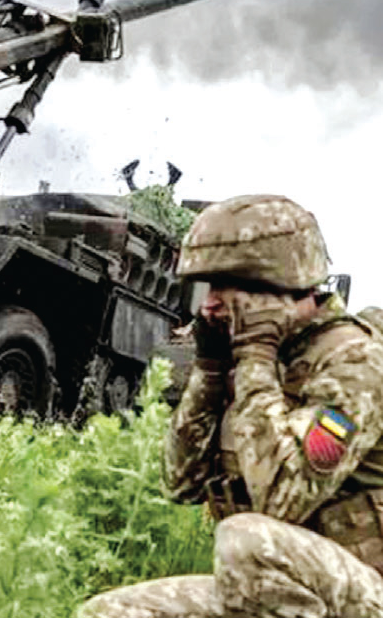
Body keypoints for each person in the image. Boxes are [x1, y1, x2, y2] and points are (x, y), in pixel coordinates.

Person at [78, 194, 383, 617]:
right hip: (284, 594)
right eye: (206, 287)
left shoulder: (354, 362)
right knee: (110, 613)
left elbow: (282, 500)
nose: (209, 304)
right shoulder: (250, 357)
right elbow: (181, 482)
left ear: (281, 282)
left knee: (246, 538)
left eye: (225, 286)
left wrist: (255, 355)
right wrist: (211, 370)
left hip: (366, 593)